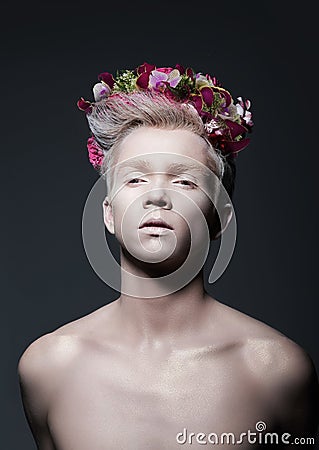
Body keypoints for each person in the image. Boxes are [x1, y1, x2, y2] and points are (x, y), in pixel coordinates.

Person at [18, 63, 319, 449]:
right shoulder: (48, 366)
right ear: (108, 213)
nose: (156, 196)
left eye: (184, 180)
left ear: (219, 216)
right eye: (135, 179)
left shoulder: (277, 370)